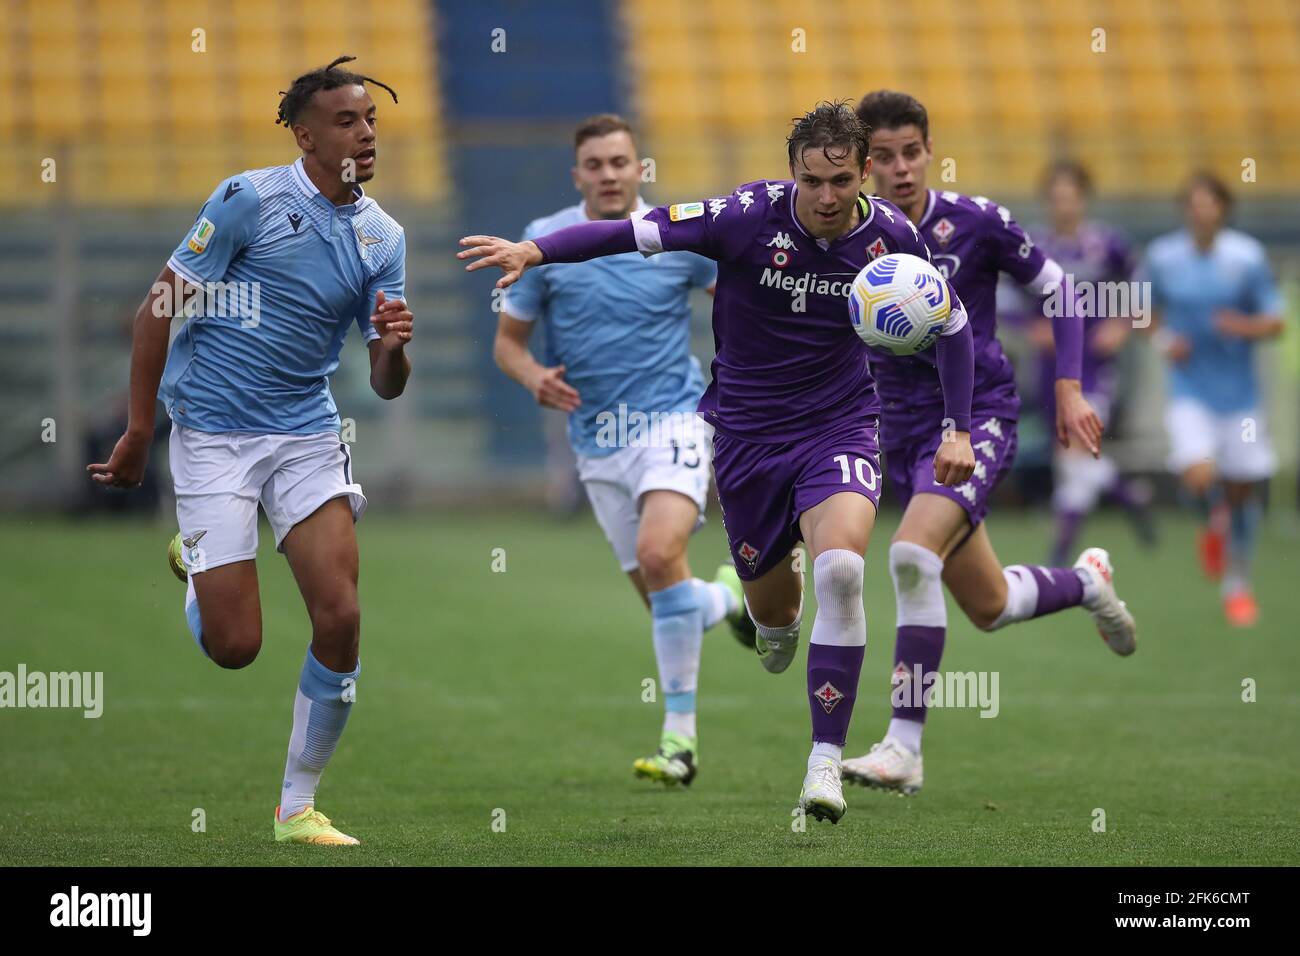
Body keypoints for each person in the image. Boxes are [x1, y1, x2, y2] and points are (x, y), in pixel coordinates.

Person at [461, 101, 976, 824]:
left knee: (843, 569)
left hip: (841, 427)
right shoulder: (742, 217)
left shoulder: (894, 240)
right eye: (810, 181)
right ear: (790, 171)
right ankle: (764, 611)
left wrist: (957, 428)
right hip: (744, 440)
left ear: (865, 173)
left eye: (839, 181)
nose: (825, 197)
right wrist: (536, 253)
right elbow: (627, 234)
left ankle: (823, 762)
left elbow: (952, 324)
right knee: (776, 624)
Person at [88, 57, 413, 845]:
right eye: (346, 120)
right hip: (213, 436)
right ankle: (197, 575)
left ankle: (296, 808)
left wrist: (396, 348)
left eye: (370, 118)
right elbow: (154, 315)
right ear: (304, 135)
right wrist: (138, 432)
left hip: (306, 436)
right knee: (236, 649)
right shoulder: (246, 201)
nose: (364, 133)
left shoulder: (383, 236)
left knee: (341, 616)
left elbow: (385, 382)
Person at [840, 91, 1136, 797]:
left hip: (978, 421)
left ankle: (903, 747)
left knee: (911, 555)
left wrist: (1067, 387)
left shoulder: (975, 222)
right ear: (863, 163)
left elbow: (1064, 292)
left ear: (929, 149)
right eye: (883, 156)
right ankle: (1088, 582)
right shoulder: (848, 236)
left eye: (911, 151)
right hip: (900, 432)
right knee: (990, 604)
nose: (900, 167)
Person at [493, 113, 750, 787]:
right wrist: (534, 378)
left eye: (620, 162)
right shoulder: (544, 242)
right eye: (596, 165)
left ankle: (680, 743)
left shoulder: (676, 239)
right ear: (577, 174)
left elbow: (740, 308)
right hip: (596, 445)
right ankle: (731, 600)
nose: (609, 174)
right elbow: (508, 345)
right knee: (666, 596)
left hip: (674, 421)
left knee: (659, 554)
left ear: (641, 169)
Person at [1144, 171, 1284, 627]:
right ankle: (1213, 522)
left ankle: (1237, 584)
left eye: (1210, 203)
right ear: (1185, 209)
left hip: (1240, 396)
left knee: (1243, 489)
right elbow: (1142, 312)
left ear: (1223, 208)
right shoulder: (1163, 257)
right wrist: (1166, 341)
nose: (1201, 211)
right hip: (1190, 391)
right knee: (1199, 475)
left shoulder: (1247, 257)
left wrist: (1240, 327)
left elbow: (1275, 321)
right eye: (1194, 203)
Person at [1020, 160, 1156, 566]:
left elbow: (1141, 286)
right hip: (1050, 368)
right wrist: (1031, 327)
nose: (1064, 205)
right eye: (1057, 197)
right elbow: (1006, 295)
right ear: (1048, 201)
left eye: (1071, 197)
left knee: (1075, 449)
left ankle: (1060, 554)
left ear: (1083, 200)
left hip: (1094, 368)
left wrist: (1123, 322)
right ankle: (1128, 495)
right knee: (1070, 456)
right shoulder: (1034, 245)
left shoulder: (1108, 244)